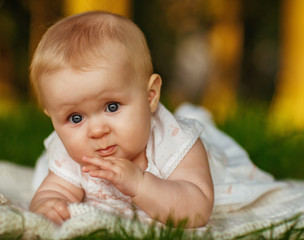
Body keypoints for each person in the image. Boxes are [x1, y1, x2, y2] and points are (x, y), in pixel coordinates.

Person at [29, 11, 279, 228]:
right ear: (52, 118)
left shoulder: (174, 144)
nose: (96, 130)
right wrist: (49, 205)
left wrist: (140, 184)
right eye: (75, 118)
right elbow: (57, 189)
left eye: (112, 107)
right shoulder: (72, 152)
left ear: (150, 96)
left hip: (207, 170)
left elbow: (197, 208)